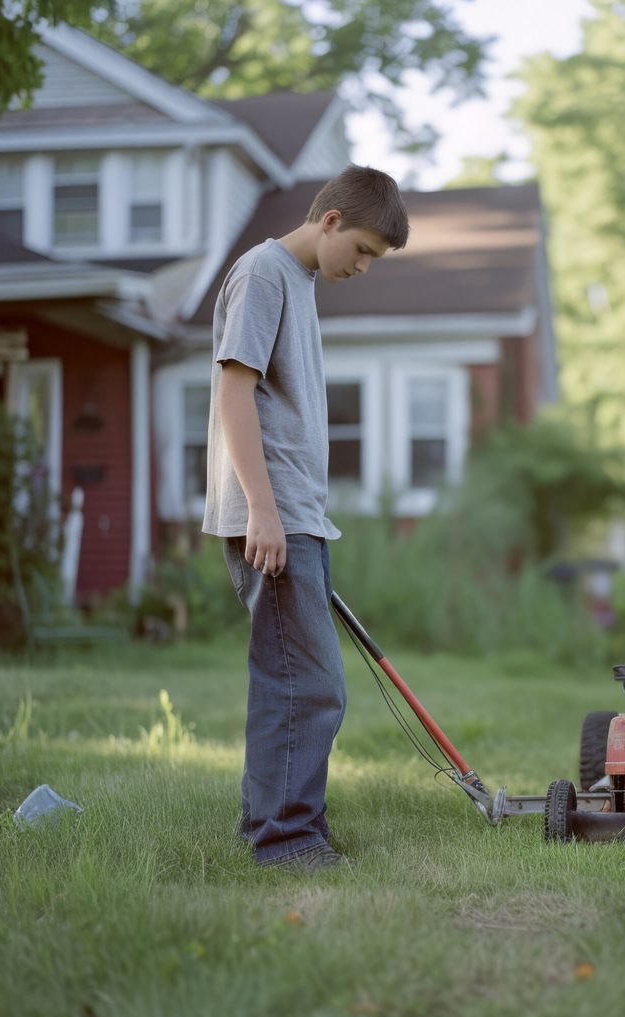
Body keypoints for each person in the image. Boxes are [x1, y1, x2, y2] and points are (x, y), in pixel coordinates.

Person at [202, 165, 410, 872]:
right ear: (330, 222)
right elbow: (236, 395)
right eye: (364, 251)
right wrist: (264, 510)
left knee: (287, 675)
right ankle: (287, 842)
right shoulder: (263, 273)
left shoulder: (297, 281)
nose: (363, 267)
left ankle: (272, 826)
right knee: (310, 681)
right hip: (273, 513)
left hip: (294, 513)